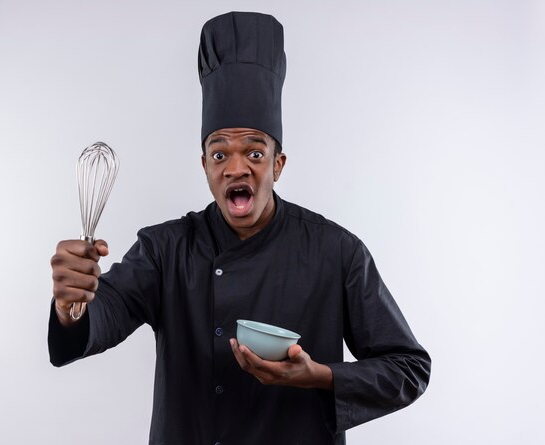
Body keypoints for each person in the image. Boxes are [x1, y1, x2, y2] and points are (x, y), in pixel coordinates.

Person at [49, 11, 431, 445]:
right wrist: (71, 305)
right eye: (218, 154)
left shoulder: (336, 252)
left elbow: (408, 368)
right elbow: (102, 317)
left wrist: (320, 376)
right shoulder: (164, 249)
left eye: (254, 153)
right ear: (204, 166)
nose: (235, 168)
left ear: (277, 164)